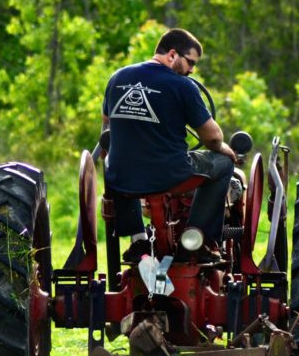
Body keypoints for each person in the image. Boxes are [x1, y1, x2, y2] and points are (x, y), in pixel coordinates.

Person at [101, 28, 236, 261]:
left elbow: (107, 128)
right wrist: (226, 150)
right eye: (190, 62)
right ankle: (194, 240)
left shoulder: (117, 78)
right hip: (170, 174)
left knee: (116, 164)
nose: (192, 70)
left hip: (122, 177)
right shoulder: (183, 87)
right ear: (173, 54)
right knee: (223, 163)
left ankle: (138, 240)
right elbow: (213, 138)